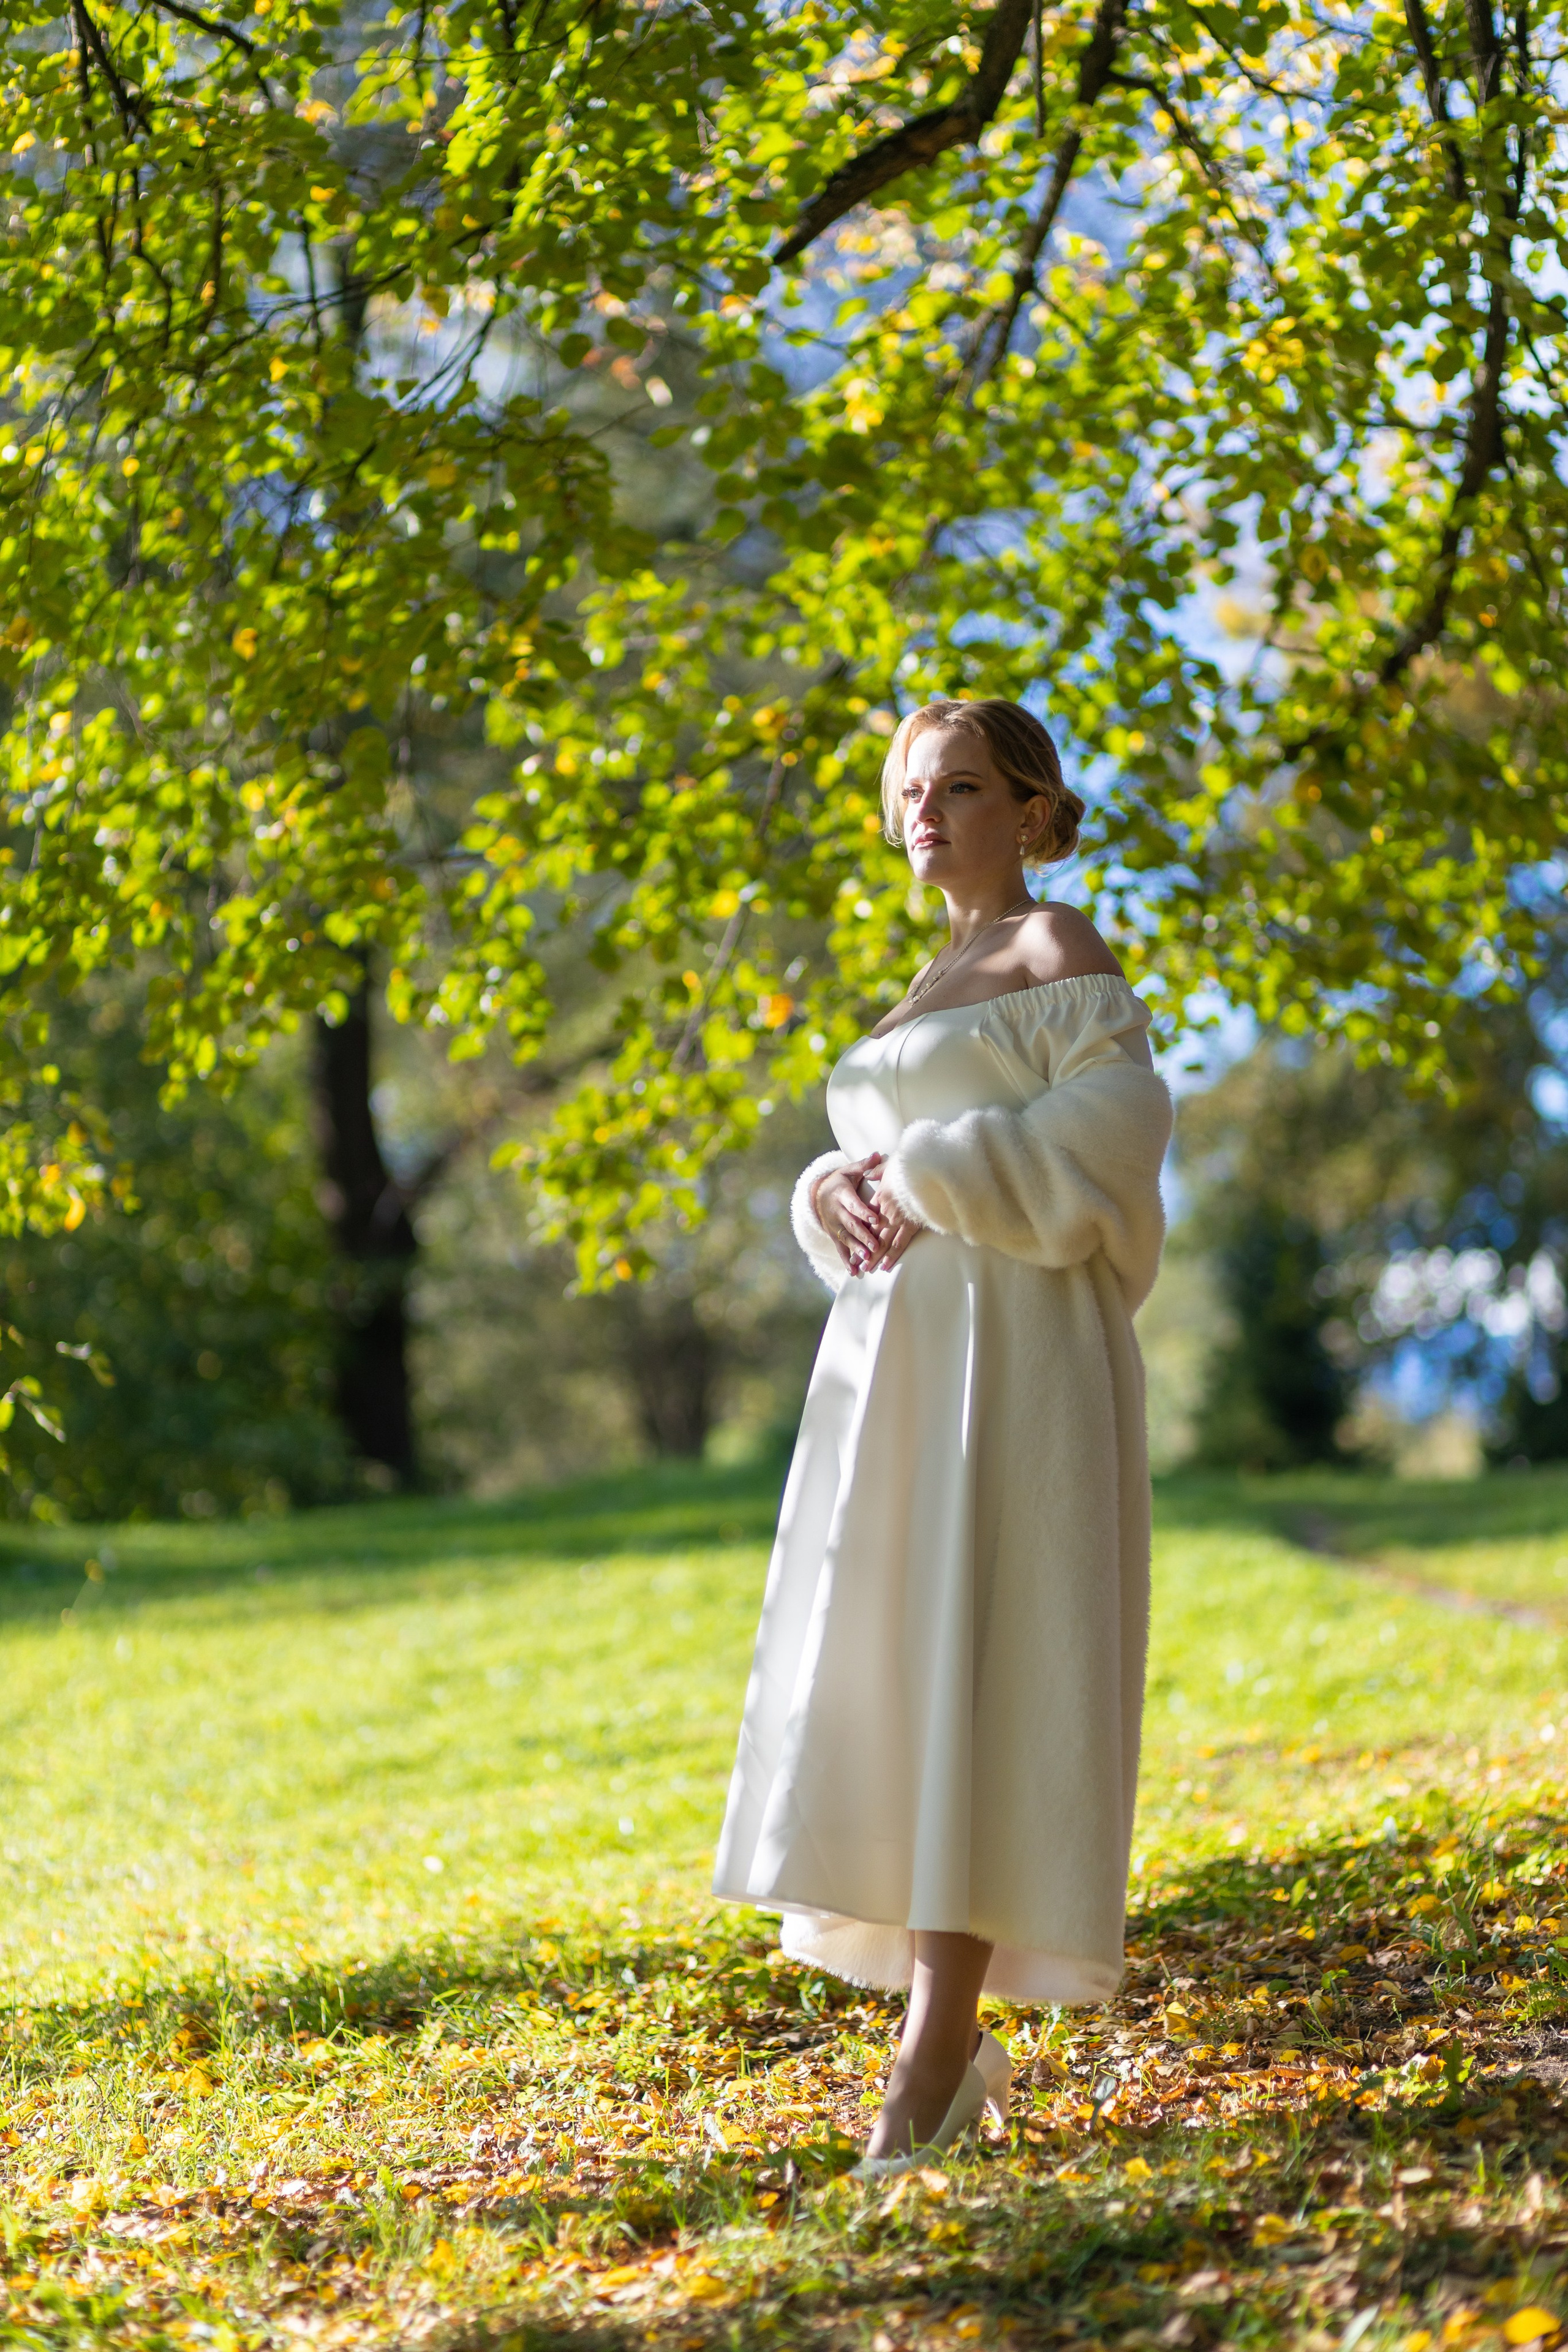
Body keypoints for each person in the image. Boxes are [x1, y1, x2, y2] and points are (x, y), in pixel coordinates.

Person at [712, 697, 1173, 2176]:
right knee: (912, 1671)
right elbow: (876, 1160)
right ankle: (943, 2042)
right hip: (897, 1366)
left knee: (989, 1663)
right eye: (911, 790)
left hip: (1017, 1359)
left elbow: (1118, 1133)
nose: (926, 812)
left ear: (1029, 810)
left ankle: (931, 2052)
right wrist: (820, 1194)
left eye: (959, 788)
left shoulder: (1058, 951)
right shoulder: (922, 983)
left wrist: (927, 1170)